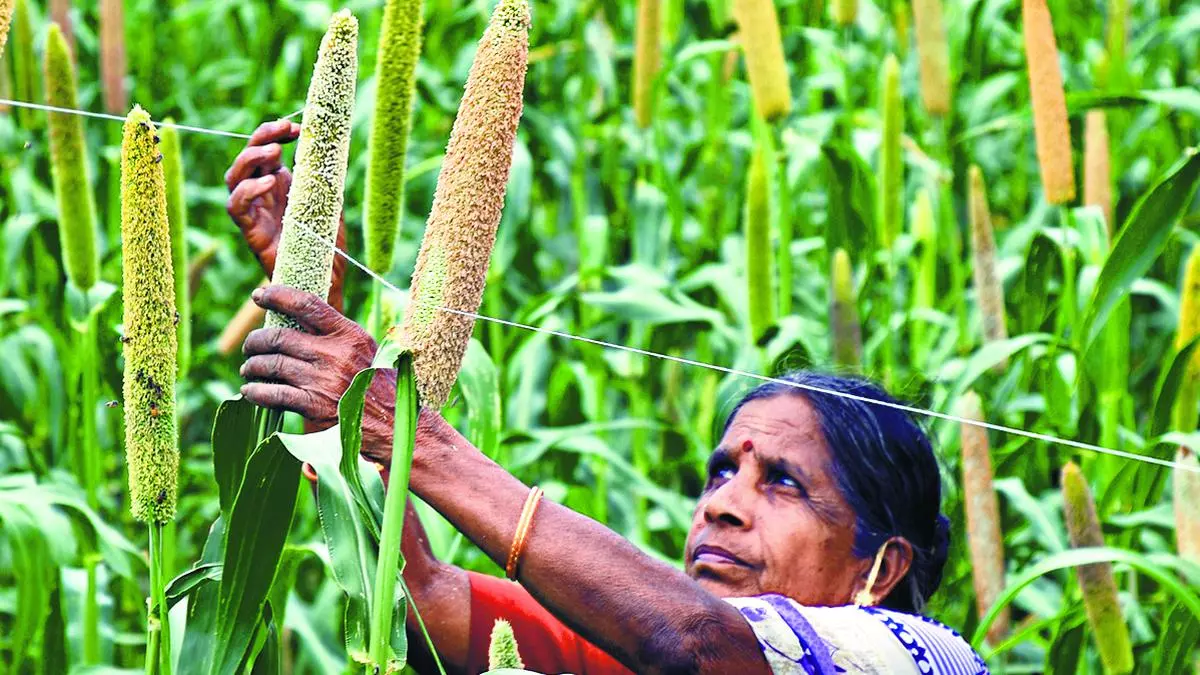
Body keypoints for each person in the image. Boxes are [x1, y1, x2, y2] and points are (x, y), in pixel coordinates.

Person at [225, 121, 990, 675]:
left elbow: (695, 641)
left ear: (884, 566)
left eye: (783, 482)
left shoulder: (915, 656)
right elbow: (421, 596)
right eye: (721, 473)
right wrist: (316, 335)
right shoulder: (641, 652)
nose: (721, 505)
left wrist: (415, 436)